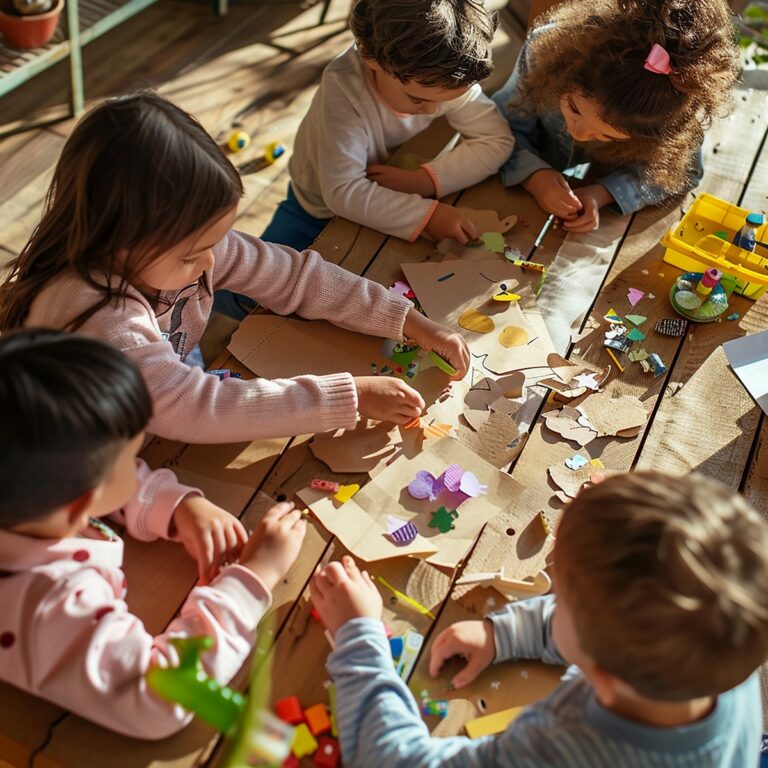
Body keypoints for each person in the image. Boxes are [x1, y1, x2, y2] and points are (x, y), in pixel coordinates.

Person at [0, 92, 469, 443]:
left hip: (167, 389)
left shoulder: (180, 248)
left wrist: (410, 321)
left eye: (215, 240)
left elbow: (297, 277)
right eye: (192, 253)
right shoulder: (103, 318)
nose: (212, 261)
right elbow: (193, 407)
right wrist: (351, 397)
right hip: (91, 458)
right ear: (119, 241)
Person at [310, 472, 768, 766]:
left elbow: (394, 761)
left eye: (559, 597)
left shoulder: (561, 751)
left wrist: (358, 635)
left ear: (599, 678)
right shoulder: (723, 644)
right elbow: (594, 623)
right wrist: (501, 633)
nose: (552, 600)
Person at [0, 329, 306, 739]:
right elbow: (160, 697)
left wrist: (173, 504)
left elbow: (81, 481)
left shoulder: (27, 492)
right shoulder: (53, 604)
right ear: (79, 504)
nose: (138, 464)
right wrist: (251, 580)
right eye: (131, 457)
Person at [262, 0, 515, 253]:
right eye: (417, 99)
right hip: (314, 209)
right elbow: (342, 191)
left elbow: (496, 141)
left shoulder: (446, 72)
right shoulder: (343, 88)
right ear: (369, 57)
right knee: (258, 274)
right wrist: (429, 216)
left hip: (387, 199)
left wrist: (423, 181)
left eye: (446, 101)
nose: (431, 111)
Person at [492, 0, 739, 233]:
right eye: (573, 108)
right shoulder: (545, 52)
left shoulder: (668, 112)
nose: (577, 133)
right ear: (563, 73)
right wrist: (533, 176)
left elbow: (684, 172)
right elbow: (496, 126)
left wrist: (603, 193)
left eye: (606, 135)